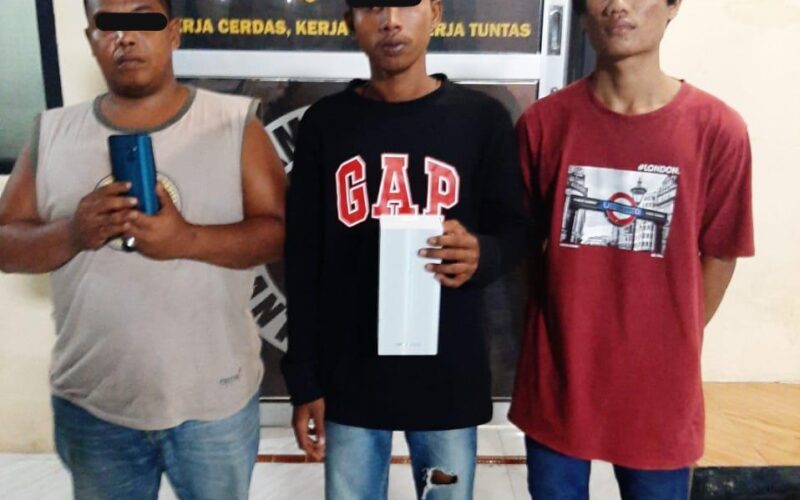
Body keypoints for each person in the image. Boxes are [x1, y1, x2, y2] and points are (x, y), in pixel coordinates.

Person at [0, 0, 286, 498]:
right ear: (91, 39)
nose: (126, 36)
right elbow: (5, 246)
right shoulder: (51, 133)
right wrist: (72, 233)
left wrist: (185, 239)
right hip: (94, 405)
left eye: (142, 20)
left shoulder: (235, 124)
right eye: (108, 24)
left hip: (214, 403)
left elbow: (280, 233)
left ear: (173, 33)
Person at [280, 1, 528, 499]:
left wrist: (482, 254)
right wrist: (304, 378)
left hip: (446, 375)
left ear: (434, 11)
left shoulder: (481, 118)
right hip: (350, 374)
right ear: (351, 21)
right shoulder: (326, 123)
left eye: (406, 4)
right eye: (373, 6)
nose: (390, 20)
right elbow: (303, 259)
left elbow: (516, 230)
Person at [510, 0, 754, 498]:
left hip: (660, 395)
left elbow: (720, 254)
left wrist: (669, 337)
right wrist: (556, 321)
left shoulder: (717, 130)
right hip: (558, 382)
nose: (618, 6)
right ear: (581, 15)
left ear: (673, 6)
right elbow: (521, 248)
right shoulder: (543, 124)